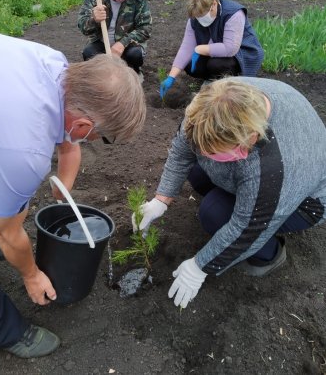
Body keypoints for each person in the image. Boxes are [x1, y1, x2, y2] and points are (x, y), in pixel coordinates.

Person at [0, 28, 146, 358]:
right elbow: (7, 232)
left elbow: (69, 138)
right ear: (85, 127)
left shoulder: (54, 65)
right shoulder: (24, 152)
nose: (98, 141)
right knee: (2, 235)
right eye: (104, 137)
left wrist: (64, 184)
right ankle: (1, 328)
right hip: (2, 135)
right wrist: (31, 274)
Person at [134, 77, 326, 308]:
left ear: (251, 138)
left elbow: (248, 229)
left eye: (215, 152)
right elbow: (182, 151)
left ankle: (270, 255)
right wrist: (161, 199)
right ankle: (238, 199)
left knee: (214, 214)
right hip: (263, 174)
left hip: (307, 203)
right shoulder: (208, 107)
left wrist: (200, 266)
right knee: (197, 171)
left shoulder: (274, 166)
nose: (206, 154)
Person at [160, 0, 264, 99]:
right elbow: (186, 48)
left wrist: (199, 49)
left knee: (216, 65)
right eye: (197, 17)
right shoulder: (195, 18)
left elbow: (230, 48)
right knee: (190, 66)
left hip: (241, 53)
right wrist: (171, 77)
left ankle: (230, 80)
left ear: (214, 4)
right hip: (215, 50)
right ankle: (213, 79)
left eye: (202, 15)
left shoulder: (233, 13)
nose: (200, 20)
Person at [78, 0, 152, 81]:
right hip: (102, 42)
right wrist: (94, 19)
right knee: (89, 53)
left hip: (128, 45)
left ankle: (134, 73)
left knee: (135, 55)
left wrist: (123, 43)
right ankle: (101, 78)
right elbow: (82, 26)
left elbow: (146, 29)